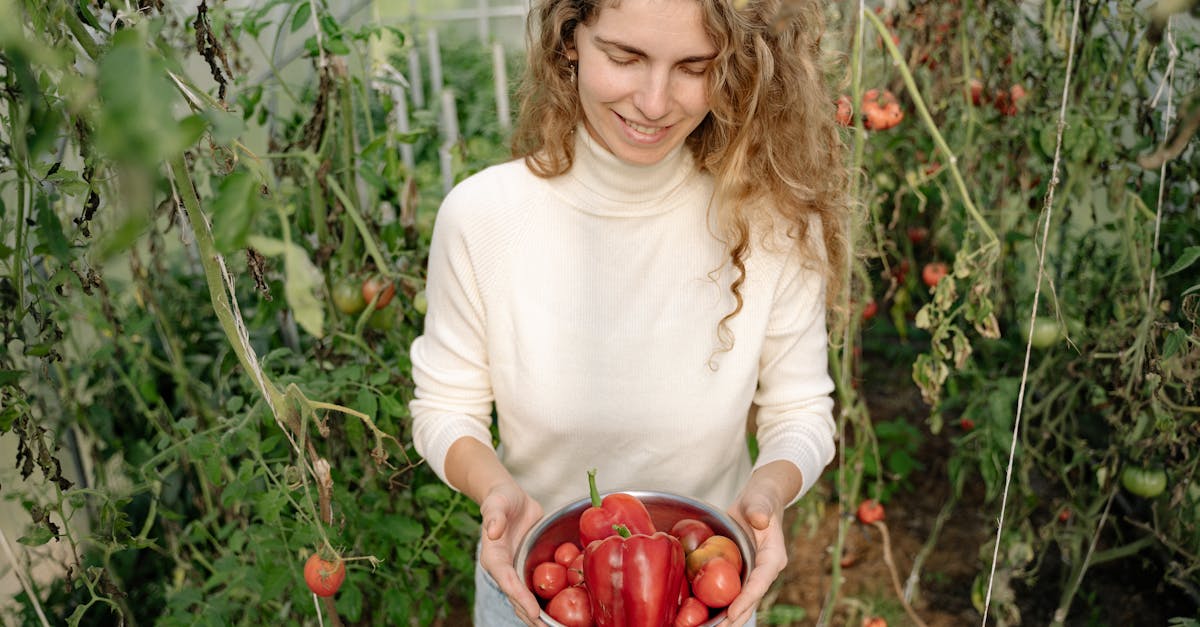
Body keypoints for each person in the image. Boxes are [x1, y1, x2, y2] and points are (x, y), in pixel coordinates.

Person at [409, 0, 849, 624]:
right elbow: (445, 407)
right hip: (535, 595)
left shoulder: (772, 220)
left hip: (705, 598)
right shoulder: (483, 218)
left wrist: (767, 496)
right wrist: (495, 491)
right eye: (625, 58)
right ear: (570, 41)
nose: (654, 101)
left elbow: (801, 411)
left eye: (696, 67)